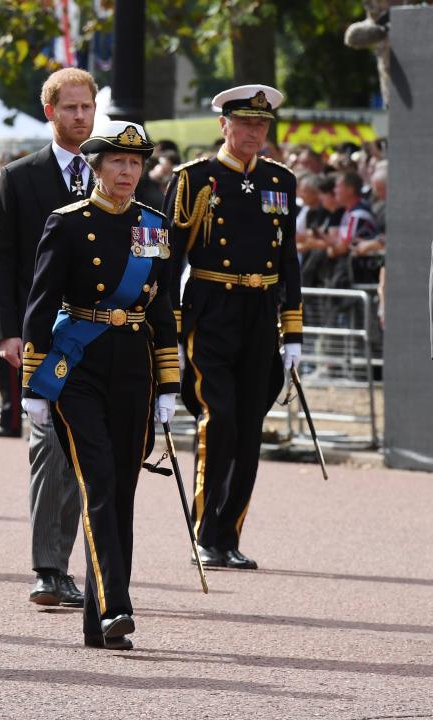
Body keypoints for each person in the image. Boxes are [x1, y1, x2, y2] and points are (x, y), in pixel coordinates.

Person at [21, 121, 179, 650]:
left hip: (134, 366)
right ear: (96, 166)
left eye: (135, 164)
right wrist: (34, 386)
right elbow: (41, 304)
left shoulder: (154, 226)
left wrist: (170, 385)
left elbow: (162, 310)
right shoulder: (67, 223)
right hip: (79, 367)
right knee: (99, 482)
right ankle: (117, 605)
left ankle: (98, 623)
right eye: (118, 163)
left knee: (124, 491)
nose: (128, 172)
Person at [164, 84, 302, 570]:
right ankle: (204, 530)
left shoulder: (280, 181)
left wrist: (295, 333)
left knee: (248, 428)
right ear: (223, 125)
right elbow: (171, 258)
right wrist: (171, 331)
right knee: (217, 417)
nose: (253, 132)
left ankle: (229, 534)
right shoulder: (196, 179)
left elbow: (289, 261)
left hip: (261, 312)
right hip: (212, 308)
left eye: (261, 125)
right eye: (244, 123)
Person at [0, 67, 98, 608]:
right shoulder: (20, 176)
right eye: (71, 108)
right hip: (41, 335)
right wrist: (7, 332)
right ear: (51, 112)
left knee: (82, 452)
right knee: (47, 448)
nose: (81, 116)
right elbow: (3, 262)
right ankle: (48, 567)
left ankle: (70, 562)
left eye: (88, 107)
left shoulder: (113, 171)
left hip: (98, 335)